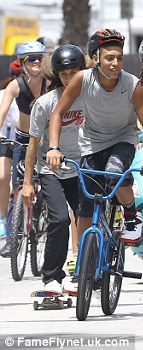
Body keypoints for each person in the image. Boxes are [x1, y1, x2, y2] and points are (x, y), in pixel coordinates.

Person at [46, 29, 143, 254]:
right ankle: (81, 263)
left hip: (122, 140)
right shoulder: (82, 79)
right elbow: (57, 114)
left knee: (113, 173)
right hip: (91, 144)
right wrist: (53, 148)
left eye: (119, 58)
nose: (115, 63)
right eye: (109, 58)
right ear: (96, 58)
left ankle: (131, 215)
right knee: (85, 206)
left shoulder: (131, 84)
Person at [21, 45, 87, 294]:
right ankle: (52, 277)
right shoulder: (45, 104)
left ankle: (86, 270)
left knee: (88, 219)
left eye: (74, 72)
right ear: (56, 76)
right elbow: (33, 145)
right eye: (64, 74)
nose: (69, 79)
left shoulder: (92, 97)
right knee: (59, 219)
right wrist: (28, 183)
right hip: (52, 172)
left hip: (82, 169)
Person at [0, 40, 47, 258]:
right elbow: (2, 110)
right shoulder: (16, 85)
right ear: (23, 63)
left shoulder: (52, 82)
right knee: (17, 188)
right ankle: (11, 240)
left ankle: (41, 217)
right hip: (23, 139)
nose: (37, 62)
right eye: (31, 58)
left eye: (40, 57)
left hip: (47, 140)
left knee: (47, 184)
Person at [0, 60, 21, 239]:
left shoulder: (35, 94)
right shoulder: (3, 95)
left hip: (26, 142)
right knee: (3, 176)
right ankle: (3, 217)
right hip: (7, 142)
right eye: (16, 76)